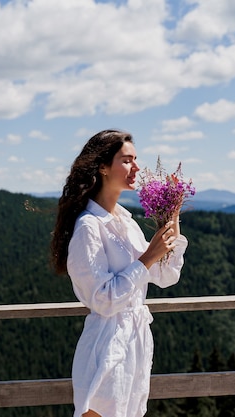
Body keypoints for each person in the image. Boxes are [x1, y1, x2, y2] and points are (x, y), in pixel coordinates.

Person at [50, 129, 188, 417]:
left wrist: (172, 215)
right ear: (102, 167)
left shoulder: (126, 221)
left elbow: (165, 276)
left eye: (136, 159)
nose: (136, 167)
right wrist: (148, 257)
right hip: (107, 346)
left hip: (135, 343)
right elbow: (102, 299)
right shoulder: (89, 226)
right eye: (127, 160)